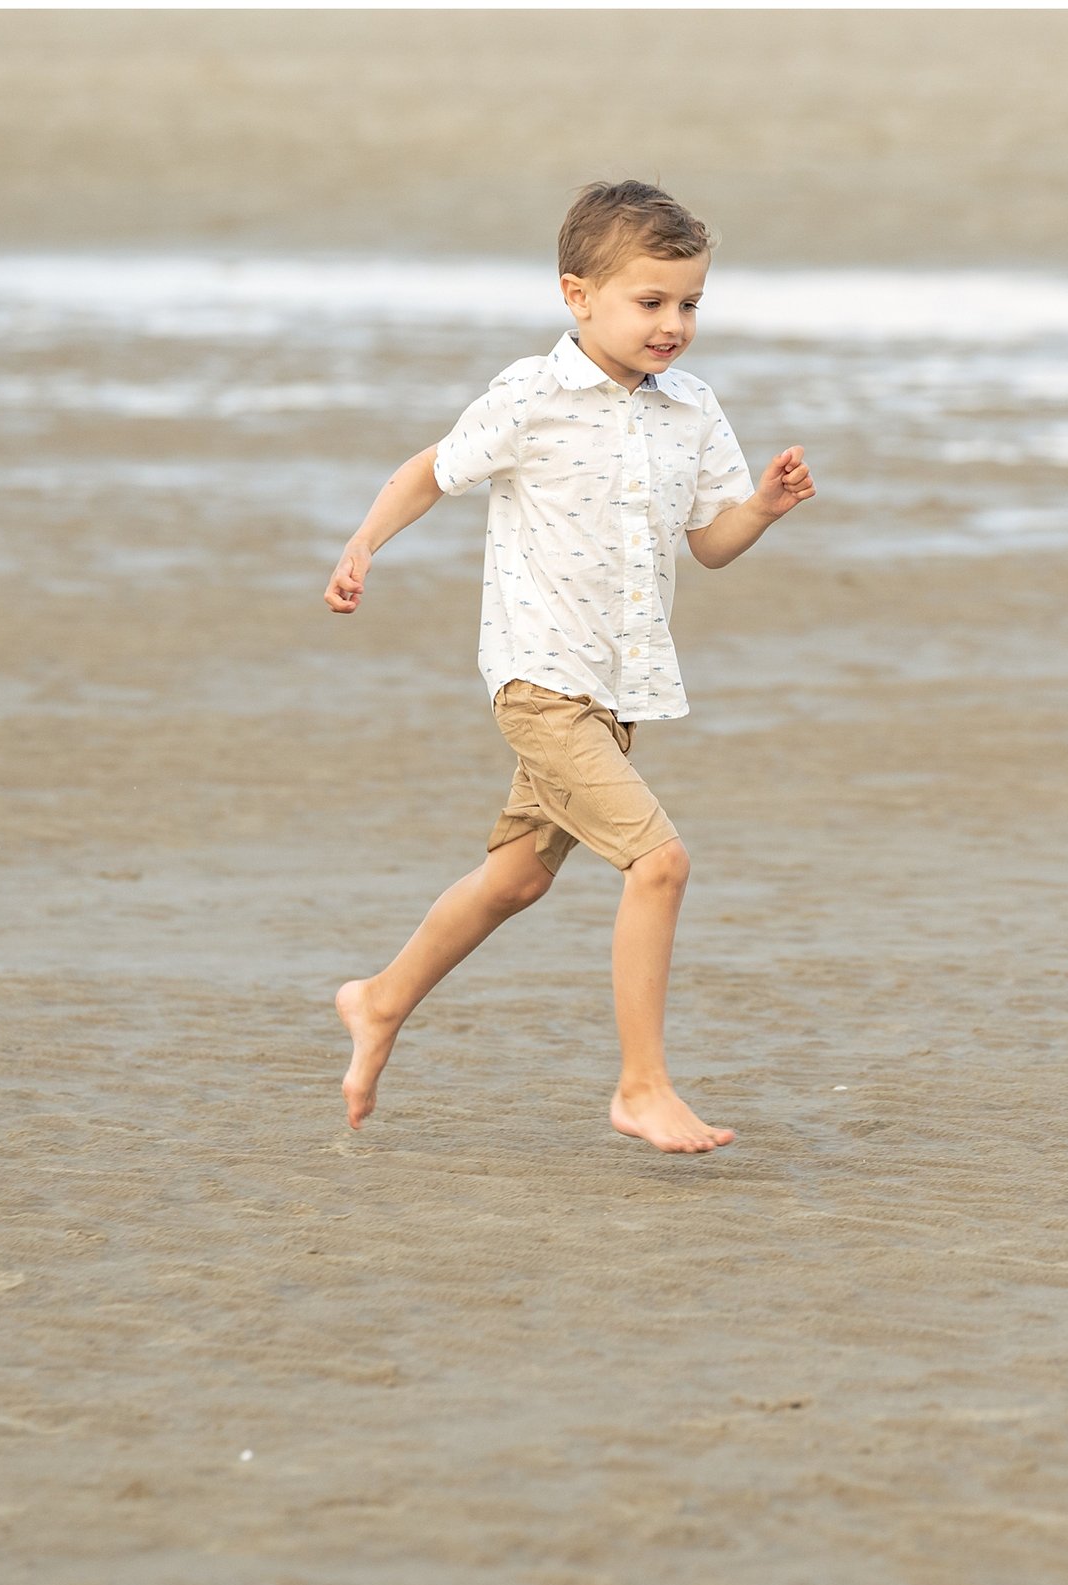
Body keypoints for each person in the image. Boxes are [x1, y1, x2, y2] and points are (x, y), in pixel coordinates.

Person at [322, 179, 813, 1152]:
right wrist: (363, 542)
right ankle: (640, 1084)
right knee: (659, 862)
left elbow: (708, 543)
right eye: (650, 301)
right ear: (576, 295)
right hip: (538, 680)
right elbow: (433, 465)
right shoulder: (530, 396)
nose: (672, 323)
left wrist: (758, 508)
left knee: (515, 881)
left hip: (615, 690)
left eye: (689, 304)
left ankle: (378, 1000)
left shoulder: (692, 409)